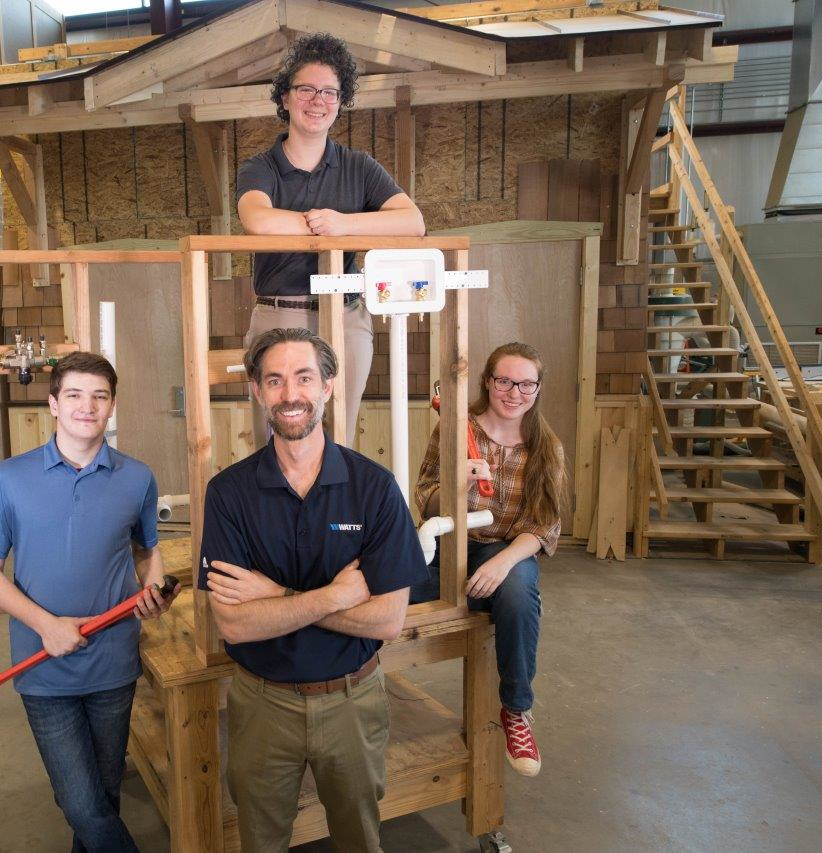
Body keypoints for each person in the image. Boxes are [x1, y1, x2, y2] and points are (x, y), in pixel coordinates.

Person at [197, 328, 428, 852]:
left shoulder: (374, 489)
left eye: (303, 378)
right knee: (261, 842)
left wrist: (275, 596)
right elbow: (233, 622)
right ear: (257, 391)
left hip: (352, 700)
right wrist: (336, 596)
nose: (290, 394)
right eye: (274, 380)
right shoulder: (229, 494)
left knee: (359, 840)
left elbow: (388, 620)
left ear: (327, 385)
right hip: (263, 705)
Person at [0, 351, 177, 853]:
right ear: (54, 404)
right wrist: (47, 625)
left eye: (100, 396)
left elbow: (147, 550)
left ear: (112, 405)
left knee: (104, 795)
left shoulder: (137, 478)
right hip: (43, 665)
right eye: (76, 395)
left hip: (113, 663)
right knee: (80, 802)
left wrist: (154, 591)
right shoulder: (11, 478)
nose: (89, 406)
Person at [236, 32, 425, 448]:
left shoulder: (360, 167)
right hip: (279, 313)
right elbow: (258, 220)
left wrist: (343, 224)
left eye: (329, 92)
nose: (317, 100)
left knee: (339, 438)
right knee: (275, 440)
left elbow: (413, 221)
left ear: (340, 101)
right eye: (306, 89)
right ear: (285, 97)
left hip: (346, 316)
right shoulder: (260, 167)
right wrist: (325, 227)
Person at [413, 342, 567, 778]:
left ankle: (516, 710)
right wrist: (457, 485)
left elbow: (543, 526)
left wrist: (501, 565)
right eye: (504, 381)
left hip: (508, 549)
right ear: (487, 381)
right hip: (448, 543)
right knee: (385, 585)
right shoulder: (455, 430)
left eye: (526, 384)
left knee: (516, 591)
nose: (514, 393)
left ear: (538, 388)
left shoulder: (547, 448)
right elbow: (425, 499)